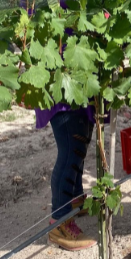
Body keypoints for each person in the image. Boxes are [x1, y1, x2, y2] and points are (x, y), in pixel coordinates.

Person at [35, 105, 99, 251]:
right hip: (64, 94)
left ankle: (74, 200)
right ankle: (59, 222)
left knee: (79, 146)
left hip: (81, 92)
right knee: (71, 150)